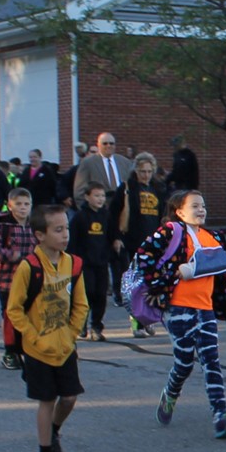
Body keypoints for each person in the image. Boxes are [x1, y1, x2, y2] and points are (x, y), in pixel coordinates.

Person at [133, 190, 226, 439]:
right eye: (194, 206)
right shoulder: (171, 232)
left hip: (205, 308)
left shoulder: (215, 237)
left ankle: (220, 416)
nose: (201, 210)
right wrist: (165, 281)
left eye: (203, 205)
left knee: (210, 359)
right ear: (180, 212)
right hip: (178, 307)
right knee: (184, 361)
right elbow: (143, 255)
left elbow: (224, 278)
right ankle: (170, 394)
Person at [6, 204, 88, 452]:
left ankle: (53, 432)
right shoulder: (29, 268)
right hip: (38, 348)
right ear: (40, 235)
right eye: (58, 230)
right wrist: (33, 337)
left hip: (65, 346)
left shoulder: (73, 264)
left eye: (66, 228)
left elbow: (81, 304)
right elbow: (14, 309)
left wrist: (71, 333)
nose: (65, 234)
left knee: (69, 397)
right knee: (46, 400)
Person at [112, 152, 167, 327]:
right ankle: (136, 320)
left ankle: (146, 318)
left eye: (149, 171)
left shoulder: (157, 189)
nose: (146, 175)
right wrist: (117, 237)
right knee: (135, 283)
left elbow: (162, 216)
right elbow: (114, 214)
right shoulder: (127, 188)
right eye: (142, 171)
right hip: (133, 241)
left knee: (151, 283)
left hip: (153, 242)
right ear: (136, 170)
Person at [0, 189, 37, 369]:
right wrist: (10, 255)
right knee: (9, 316)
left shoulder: (34, 226)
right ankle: (10, 351)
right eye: (19, 204)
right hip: (7, 280)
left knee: (28, 315)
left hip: (29, 279)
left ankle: (25, 348)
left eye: (26, 204)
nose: (23, 208)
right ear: (10, 205)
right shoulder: (3, 226)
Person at [68, 184, 115, 340]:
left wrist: (116, 242)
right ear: (87, 197)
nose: (100, 199)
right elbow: (73, 241)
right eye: (96, 195)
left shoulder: (106, 215)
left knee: (101, 295)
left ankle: (97, 326)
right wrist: (73, 261)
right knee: (87, 293)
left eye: (102, 196)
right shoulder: (80, 217)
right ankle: (81, 324)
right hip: (84, 262)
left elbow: (111, 235)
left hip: (101, 261)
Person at [73, 131, 129, 198]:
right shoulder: (88, 163)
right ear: (98, 145)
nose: (108, 146)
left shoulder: (125, 162)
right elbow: (80, 191)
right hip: (99, 206)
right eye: (105, 143)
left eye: (111, 143)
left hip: (122, 205)